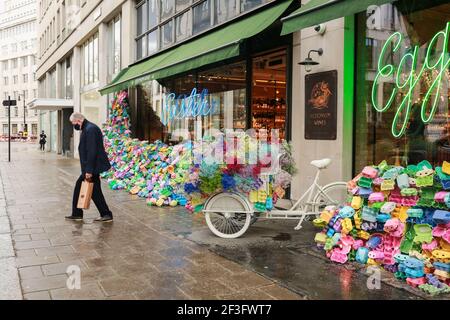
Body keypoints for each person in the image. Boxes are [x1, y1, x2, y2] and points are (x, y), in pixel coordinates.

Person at [65, 112, 113, 222]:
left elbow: (92, 151)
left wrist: (89, 170)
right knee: (92, 191)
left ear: (78, 121)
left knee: (94, 192)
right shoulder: (88, 128)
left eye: (73, 123)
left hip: (92, 168)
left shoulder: (90, 129)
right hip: (91, 168)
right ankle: (78, 213)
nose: (74, 126)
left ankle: (105, 214)